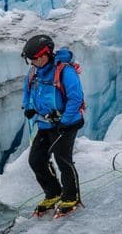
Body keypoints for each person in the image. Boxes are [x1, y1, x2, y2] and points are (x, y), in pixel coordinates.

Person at [21, 34, 85, 218]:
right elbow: (28, 91)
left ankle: (71, 196)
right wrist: (29, 108)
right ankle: (54, 192)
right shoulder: (34, 72)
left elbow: (76, 98)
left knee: (62, 158)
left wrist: (65, 121)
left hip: (67, 123)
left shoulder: (65, 71)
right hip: (45, 123)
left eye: (34, 58)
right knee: (36, 159)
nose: (32, 62)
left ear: (45, 54)